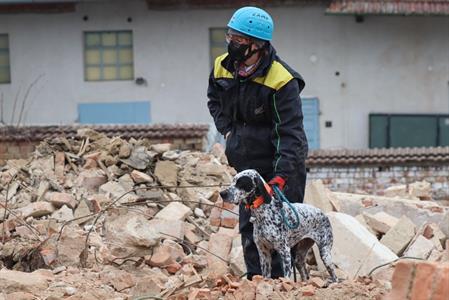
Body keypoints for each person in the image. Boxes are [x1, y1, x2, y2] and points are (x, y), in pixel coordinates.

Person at [207, 6, 308, 279]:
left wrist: (280, 178)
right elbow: (214, 101)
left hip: (280, 165)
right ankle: (257, 284)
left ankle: (284, 288)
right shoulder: (221, 66)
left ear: (258, 45)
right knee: (251, 228)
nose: (232, 43)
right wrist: (228, 131)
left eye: (239, 40)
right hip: (247, 166)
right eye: (230, 36)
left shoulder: (282, 79)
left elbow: (291, 134)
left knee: (281, 232)